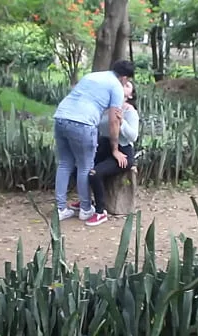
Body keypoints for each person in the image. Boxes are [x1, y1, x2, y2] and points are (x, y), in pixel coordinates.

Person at [54, 60, 135, 222]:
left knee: (64, 164)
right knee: (86, 166)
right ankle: (85, 208)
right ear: (125, 78)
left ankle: (60, 208)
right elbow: (114, 121)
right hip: (82, 123)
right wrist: (114, 149)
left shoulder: (92, 76)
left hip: (61, 116)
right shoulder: (117, 87)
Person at [69, 80, 140, 226]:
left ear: (131, 95)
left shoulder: (129, 111)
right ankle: (86, 201)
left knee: (95, 173)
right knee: (78, 168)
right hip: (103, 146)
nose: (122, 86)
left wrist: (122, 122)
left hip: (122, 151)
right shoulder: (106, 108)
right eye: (122, 83)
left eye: (127, 86)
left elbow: (133, 136)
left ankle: (100, 212)